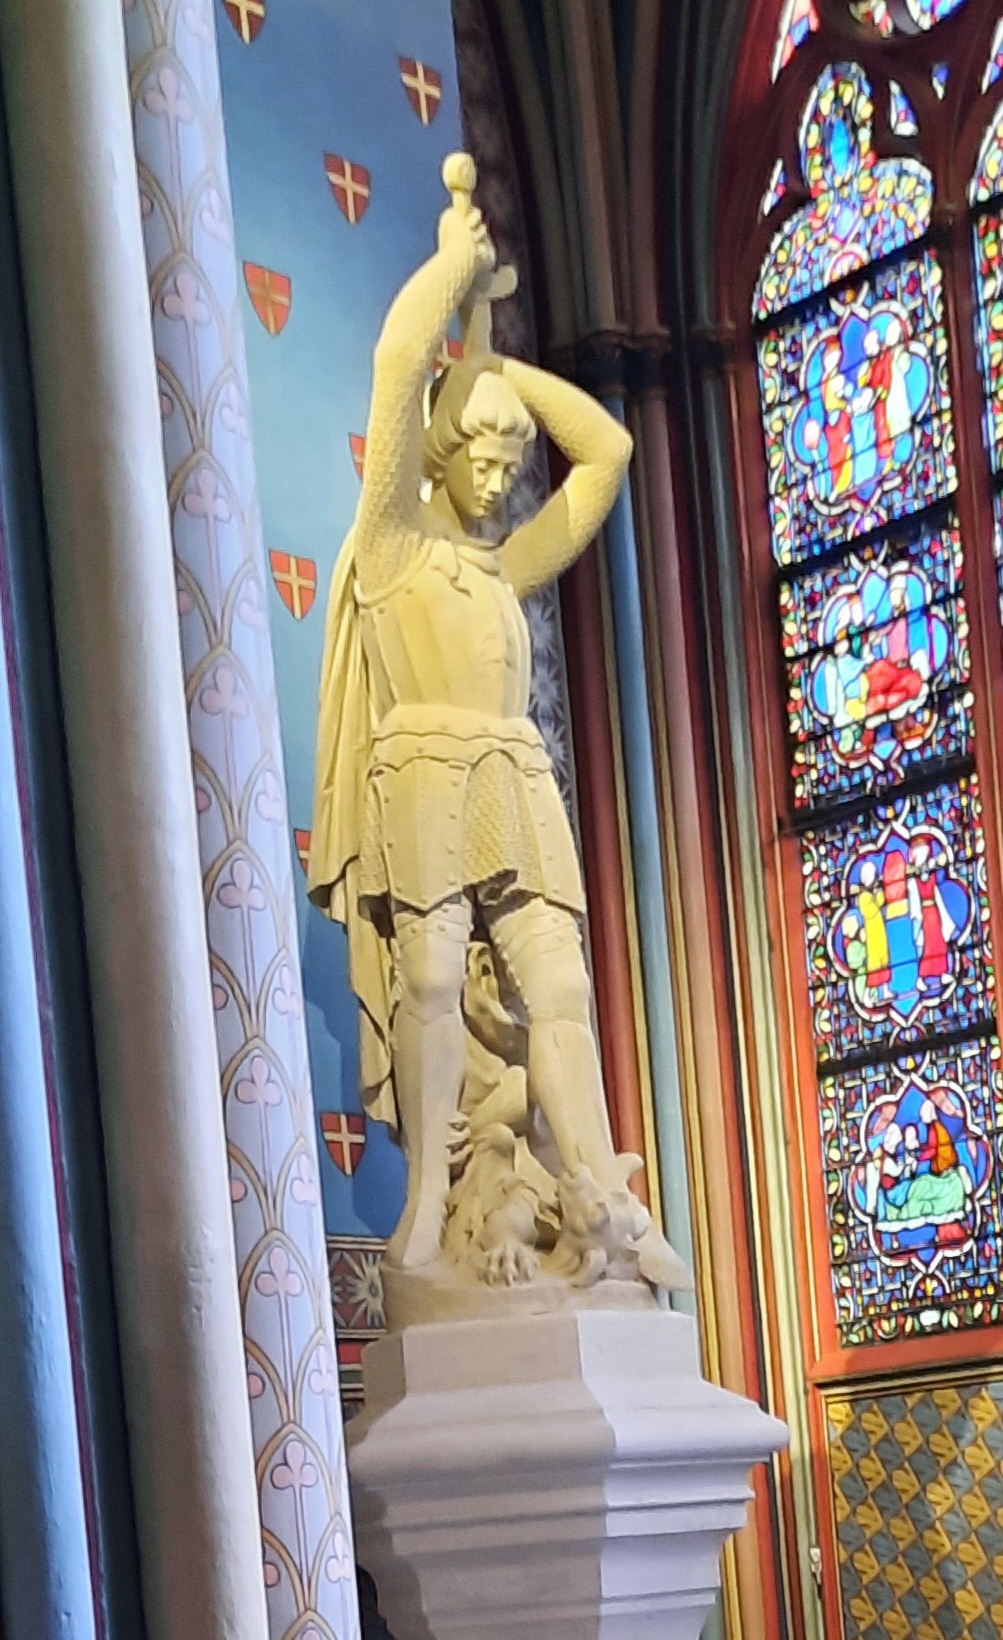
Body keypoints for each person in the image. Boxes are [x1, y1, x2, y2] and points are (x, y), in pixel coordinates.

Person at [308, 156, 684, 1289]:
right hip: (425, 770)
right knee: (429, 983)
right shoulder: (393, 547)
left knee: (560, 989)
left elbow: (607, 455)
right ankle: (428, 1202)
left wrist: (498, 361)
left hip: (512, 776)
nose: (494, 476)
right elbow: (393, 366)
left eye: (508, 460)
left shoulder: (500, 566)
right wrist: (451, 280)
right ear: (439, 448)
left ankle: (602, 1195)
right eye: (477, 454)